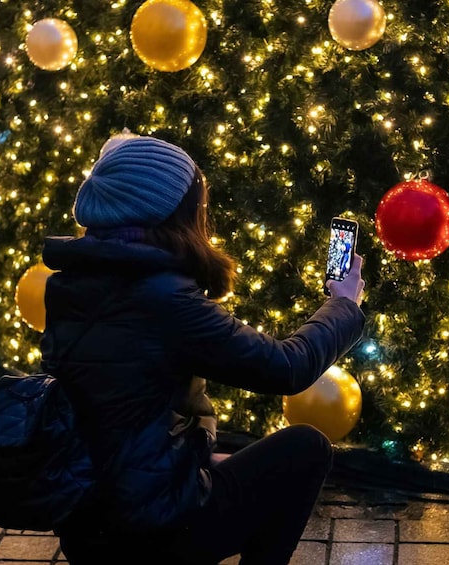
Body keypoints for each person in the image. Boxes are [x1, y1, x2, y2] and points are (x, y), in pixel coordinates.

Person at [41, 134, 366, 564]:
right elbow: (286, 367)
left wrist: (195, 453)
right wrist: (343, 305)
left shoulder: (69, 281)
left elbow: (117, 409)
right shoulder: (163, 299)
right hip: (152, 532)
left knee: (232, 457)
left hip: (84, 524)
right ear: (177, 212)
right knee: (305, 449)